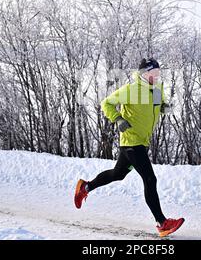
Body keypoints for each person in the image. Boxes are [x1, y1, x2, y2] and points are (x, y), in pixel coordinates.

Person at [74, 58, 184, 237]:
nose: (156, 77)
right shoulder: (131, 90)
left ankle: (85, 188)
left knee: (118, 174)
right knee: (150, 179)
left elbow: (159, 107)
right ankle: (162, 222)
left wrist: (165, 107)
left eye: (158, 74)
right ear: (143, 74)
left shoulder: (156, 90)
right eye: (152, 74)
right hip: (132, 142)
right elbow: (106, 103)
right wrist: (118, 119)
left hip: (142, 141)